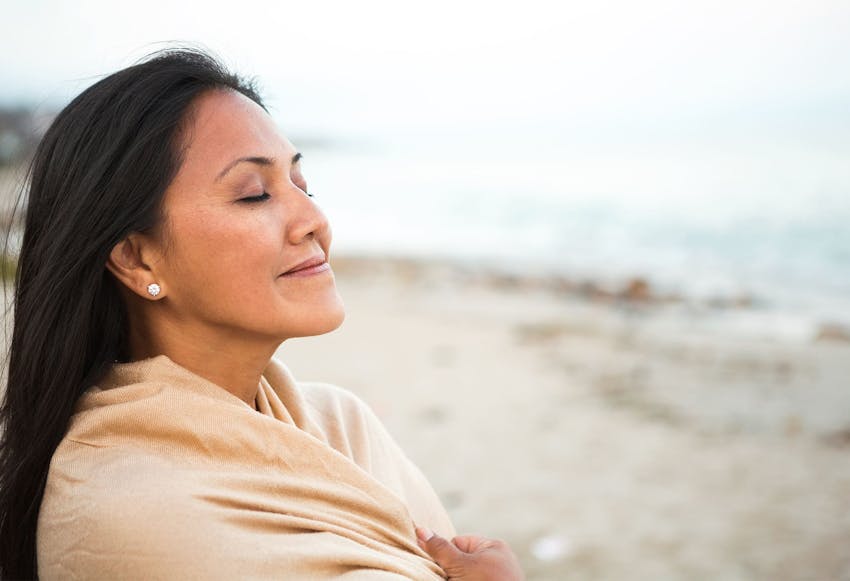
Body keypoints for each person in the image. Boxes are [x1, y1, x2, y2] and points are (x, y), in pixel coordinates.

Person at [0, 48, 524, 580]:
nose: (314, 220)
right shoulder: (125, 510)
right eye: (254, 195)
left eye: (302, 185)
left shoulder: (341, 426)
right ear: (136, 258)